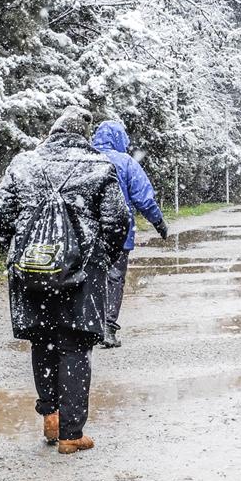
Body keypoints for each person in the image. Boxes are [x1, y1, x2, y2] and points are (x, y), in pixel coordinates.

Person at [0, 106, 129, 455]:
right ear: (83, 135)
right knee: (74, 345)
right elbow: (116, 221)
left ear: (52, 132)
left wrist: (28, 248)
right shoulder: (99, 166)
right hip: (81, 272)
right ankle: (71, 432)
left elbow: (0, 215)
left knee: (43, 340)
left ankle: (50, 415)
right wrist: (100, 258)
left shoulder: (23, 163)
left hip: (33, 268)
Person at [92, 120, 168, 348]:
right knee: (114, 279)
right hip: (117, 232)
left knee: (90, 278)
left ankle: (87, 326)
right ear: (120, 139)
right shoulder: (125, 162)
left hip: (87, 233)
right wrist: (159, 222)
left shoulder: (86, 159)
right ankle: (107, 327)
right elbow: (143, 197)